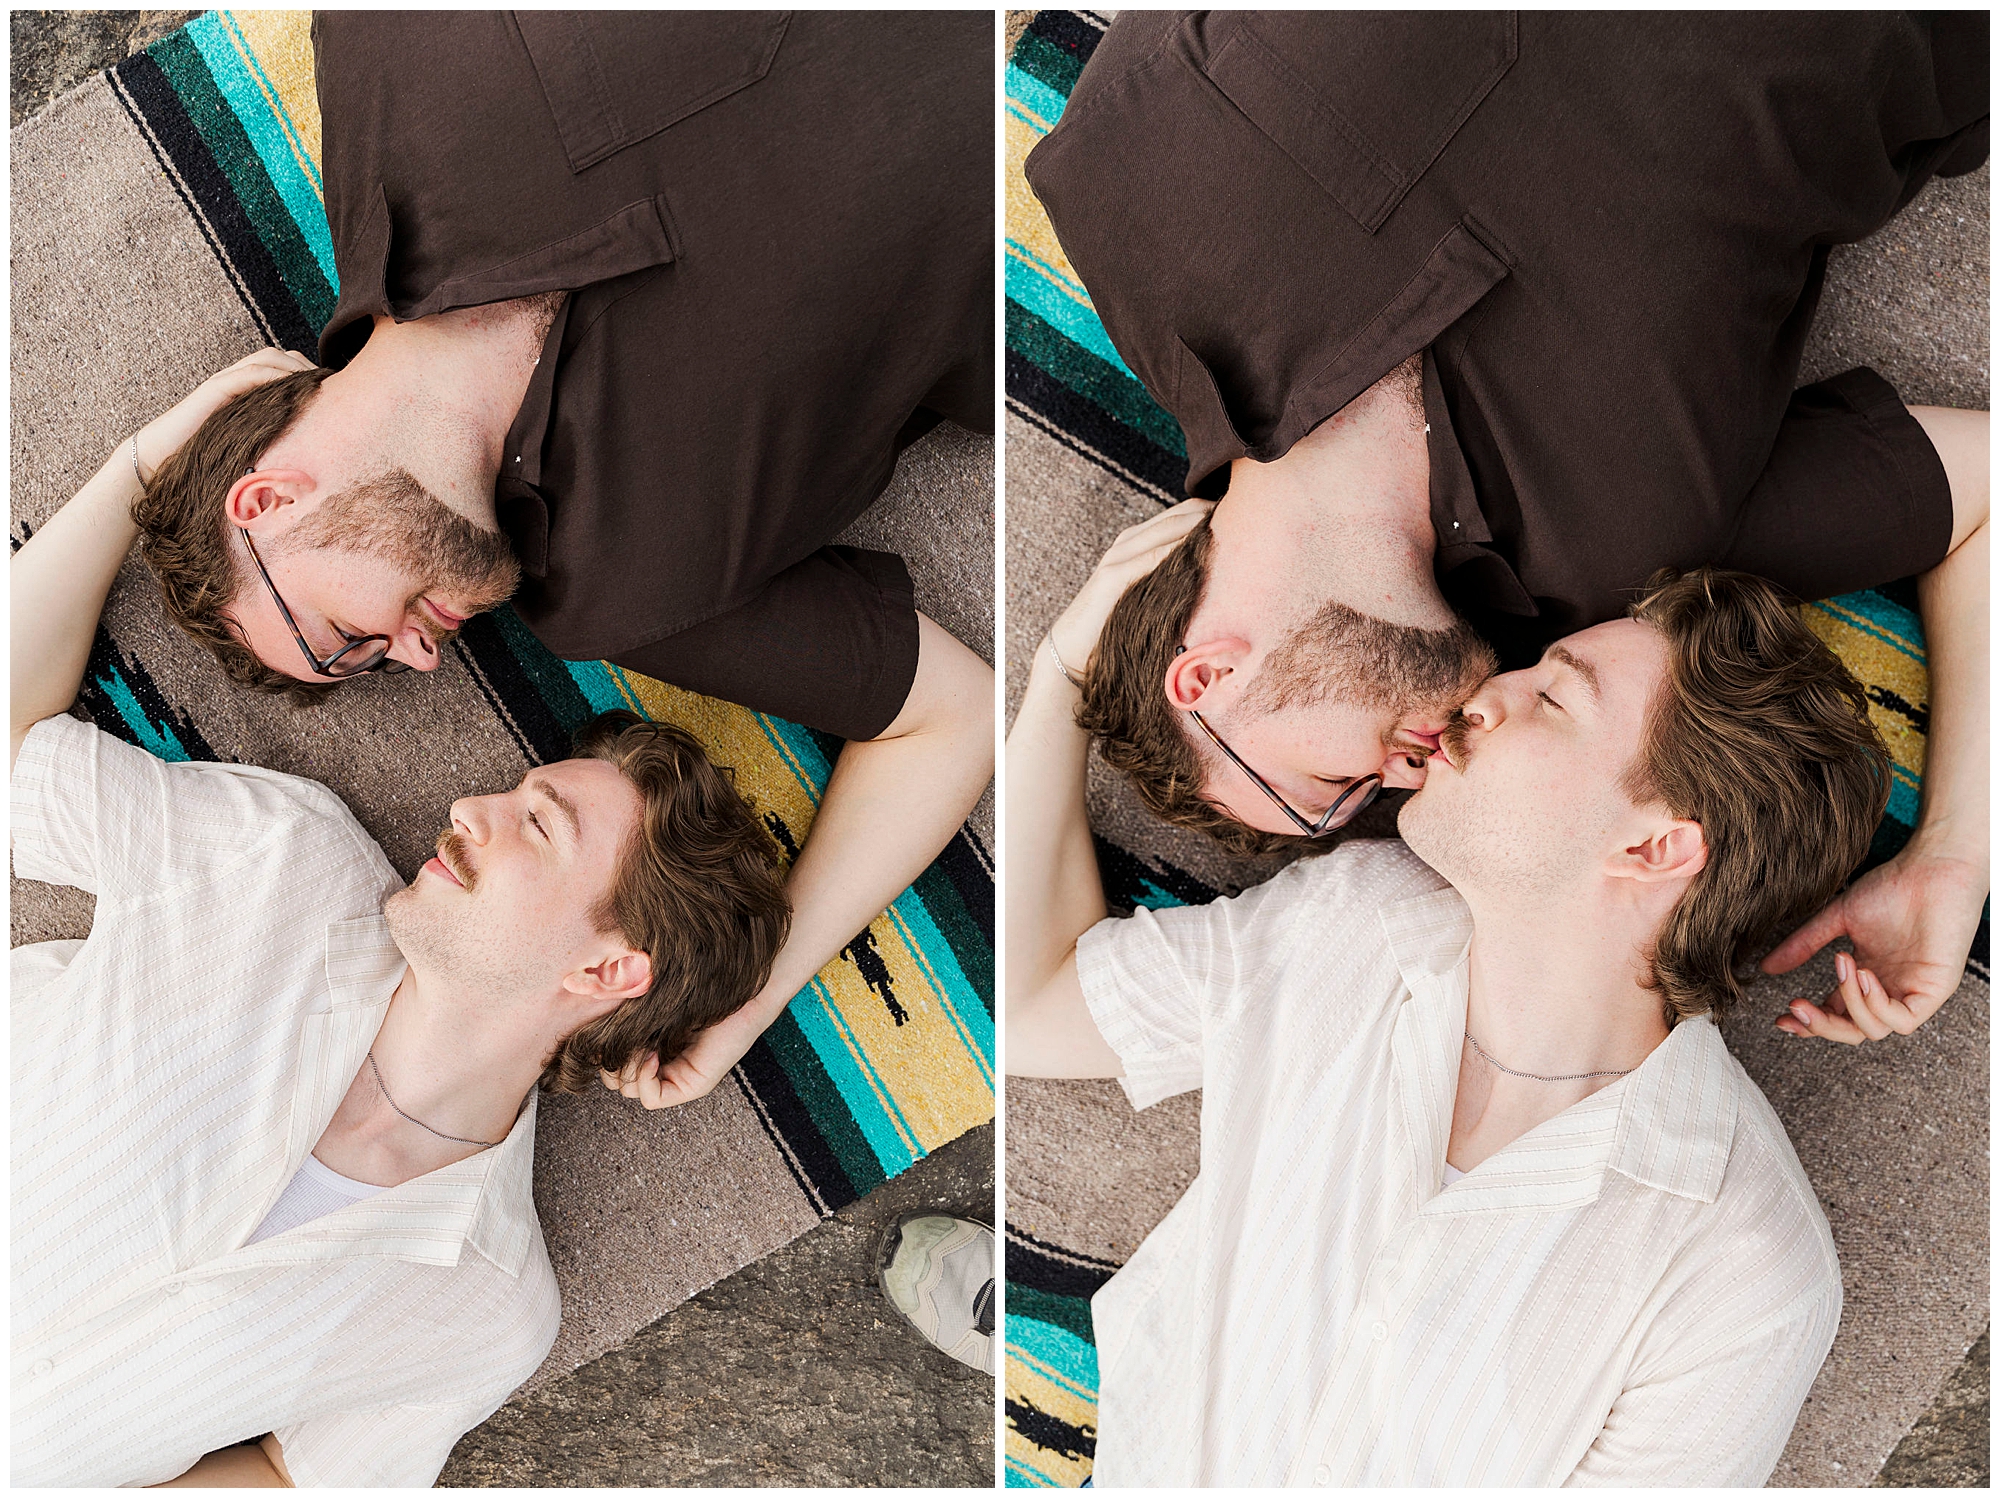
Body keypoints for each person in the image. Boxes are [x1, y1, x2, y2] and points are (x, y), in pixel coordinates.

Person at [1024, 12, 1988, 1045]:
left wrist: (1063, 662)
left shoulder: (1117, 188)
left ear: (1204, 677)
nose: (1397, 780)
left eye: (1324, 788)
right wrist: (1952, 853)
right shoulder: (1613, 603)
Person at [125, 12, 996, 1107]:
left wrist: (135, 465)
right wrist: (750, 1001)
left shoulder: (386, 59)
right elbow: (950, 716)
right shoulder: (618, 595)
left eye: (347, 640)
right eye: (378, 667)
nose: (420, 657)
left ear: (270, 500)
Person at [10, 354, 792, 1487]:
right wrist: (148, 462)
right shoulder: (276, 860)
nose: (472, 808)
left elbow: (297, 1476)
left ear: (611, 968)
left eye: (541, 825)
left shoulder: (486, 1305)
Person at [1007, 546, 1892, 1484]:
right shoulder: (1352, 918)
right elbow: (1032, 1010)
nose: (1482, 695)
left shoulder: (1741, 1264)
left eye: (1554, 699)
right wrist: (1063, 671)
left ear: (1656, 846)